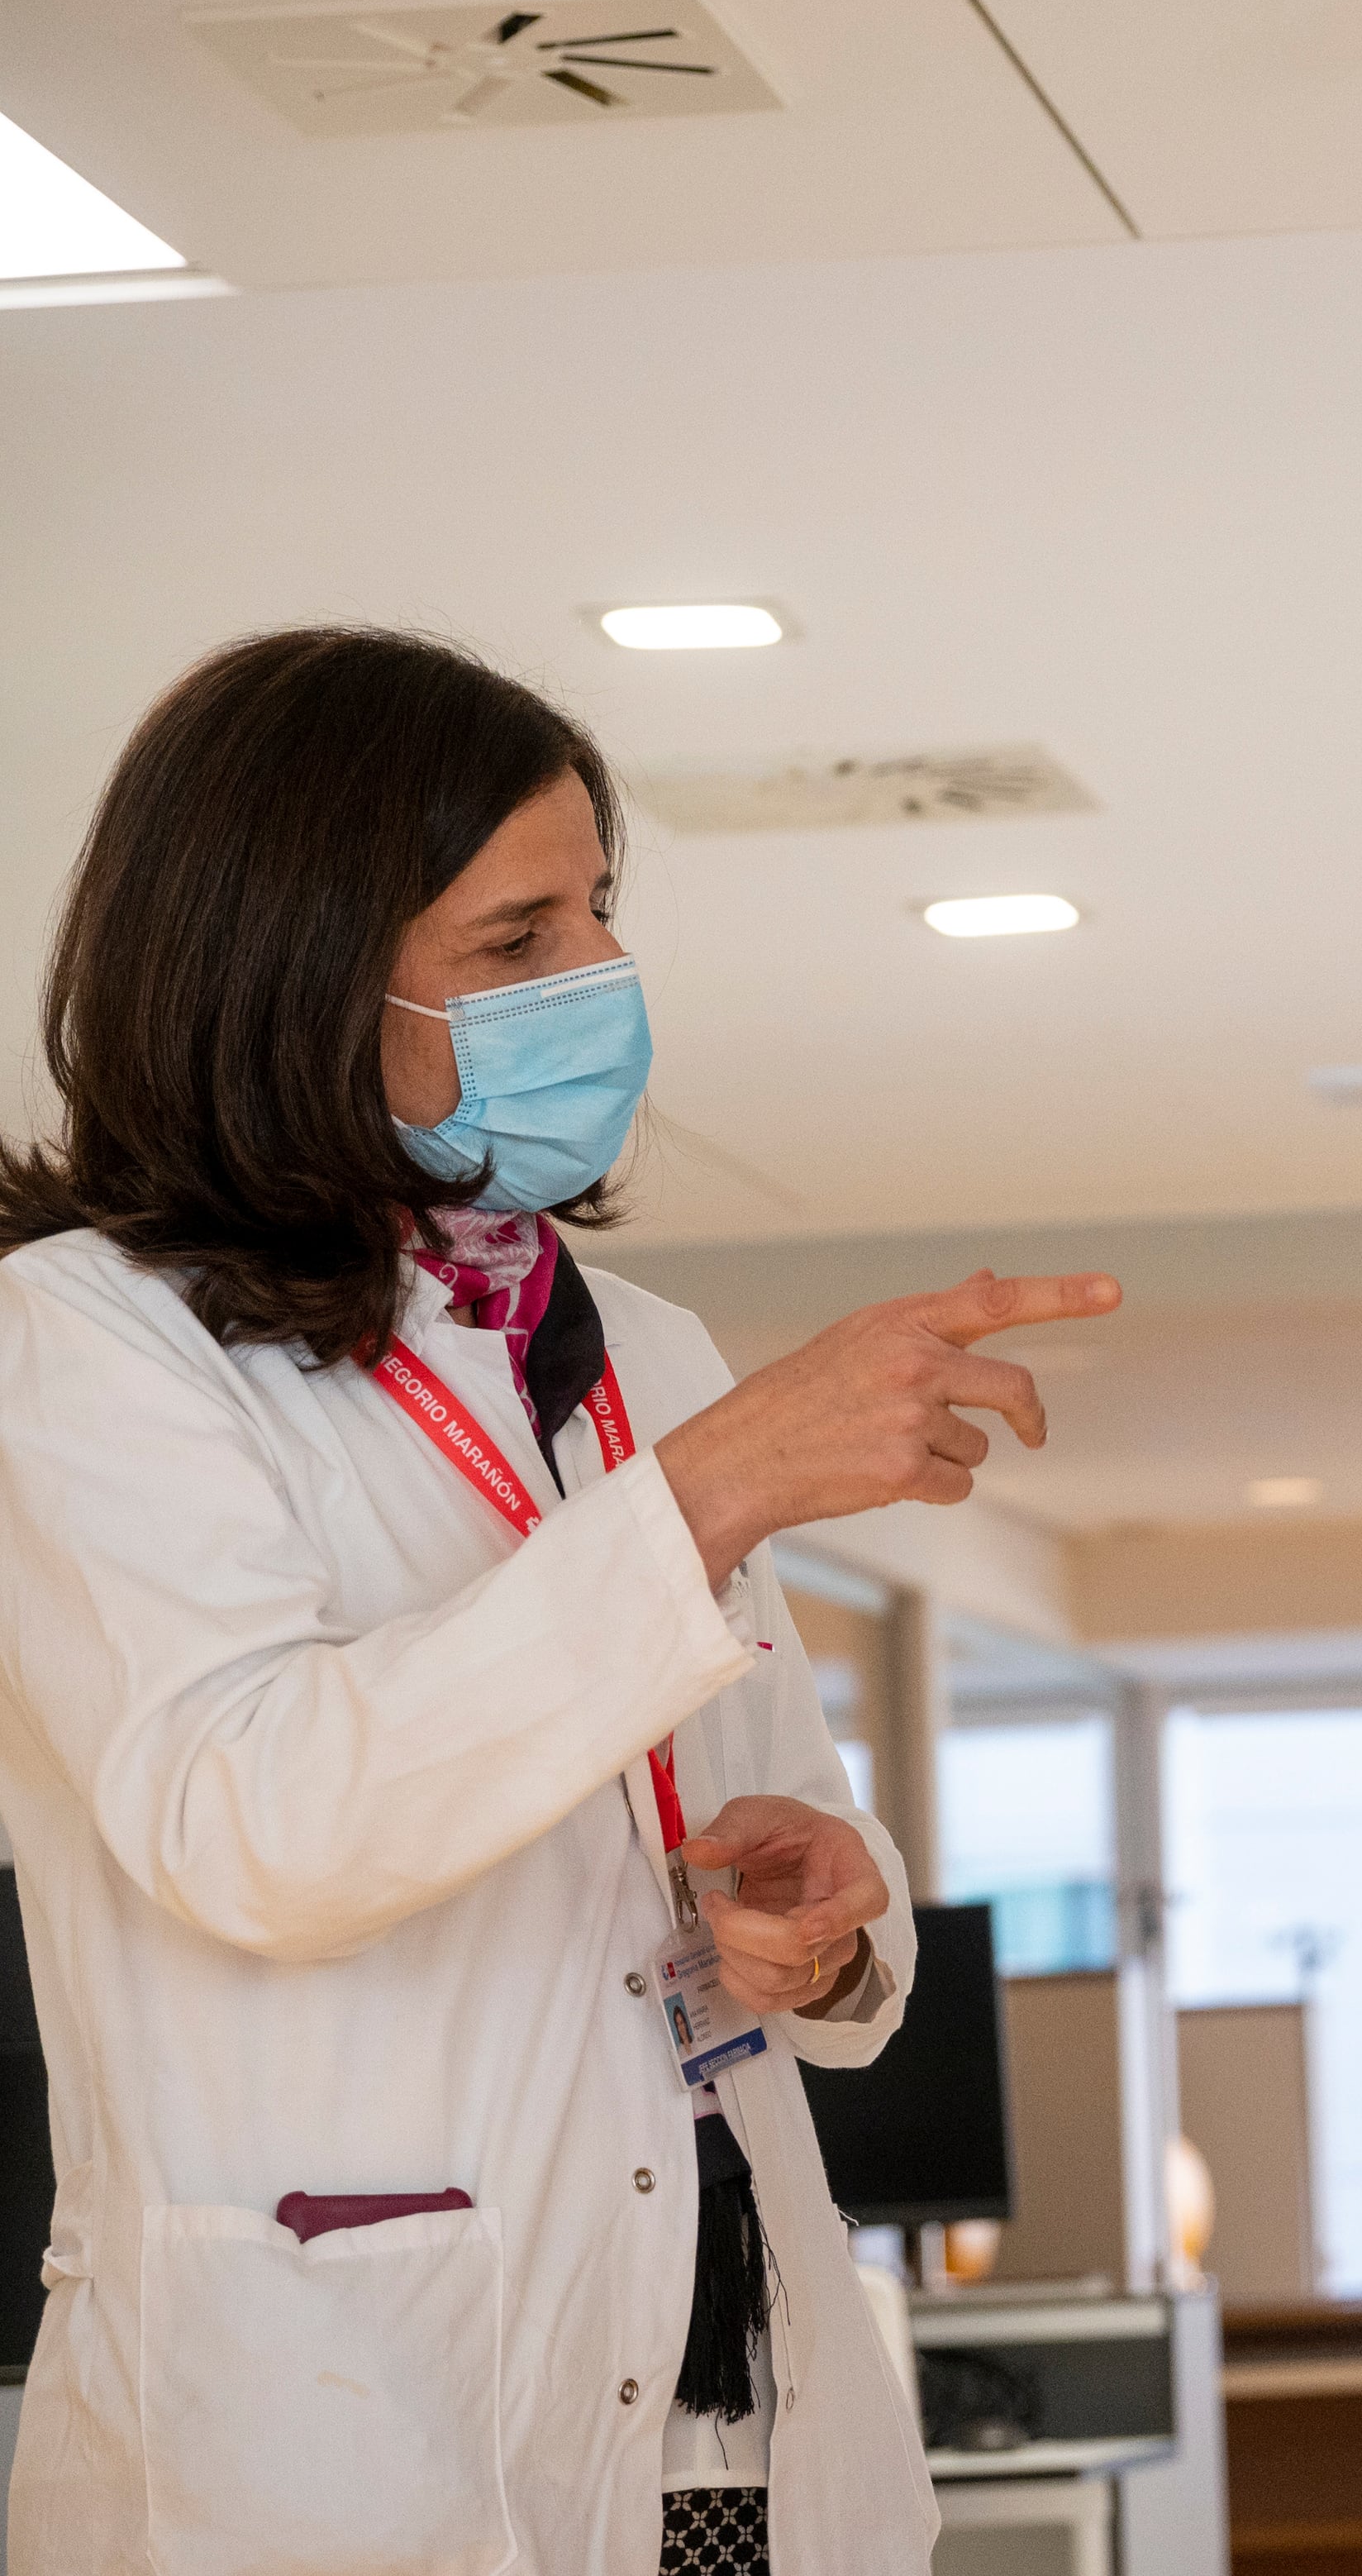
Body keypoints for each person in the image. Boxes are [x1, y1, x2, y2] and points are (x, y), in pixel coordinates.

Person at [0, 628, 1117, 2576]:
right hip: (352, 2419)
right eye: (514, 943)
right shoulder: (87, 1344)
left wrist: (825, 1923)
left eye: (600, 912)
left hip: (731, 2406)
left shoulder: (641, 1348)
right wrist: (720, 1486)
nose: (593, 979)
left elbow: (790, 1845)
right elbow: (255, 1826)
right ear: (282, 971)